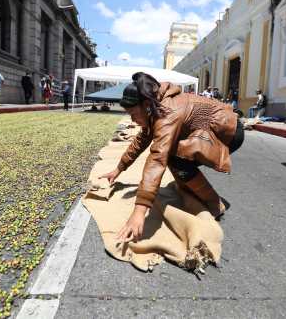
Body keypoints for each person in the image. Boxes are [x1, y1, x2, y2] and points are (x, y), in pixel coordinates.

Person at [99, 72, 245, 243]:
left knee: (174, 158)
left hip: (230, 132)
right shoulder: (155, 104)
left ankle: (214, 203)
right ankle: (192, 188)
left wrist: (139, 212)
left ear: (146, 105)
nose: (132, 119)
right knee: (177, 159)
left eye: (133, 113)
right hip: (207, 129)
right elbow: (142, 140)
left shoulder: (168, 111)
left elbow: (157, 158)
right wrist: (118, 169)